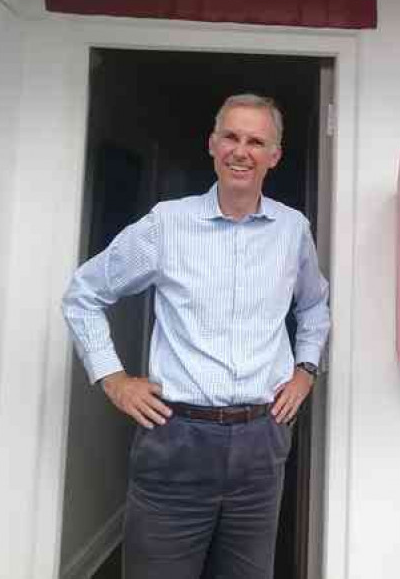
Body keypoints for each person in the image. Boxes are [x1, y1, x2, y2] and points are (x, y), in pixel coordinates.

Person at [62, 93, 330, 579]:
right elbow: (84, 293)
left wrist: (305, 371)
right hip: (176, 441)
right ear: (212, 144)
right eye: (231, 136)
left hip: (259, 442)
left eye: (256, 141)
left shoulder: (293, 231)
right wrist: (114, 379)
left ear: (275, 156)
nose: (241, 151)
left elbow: (313, 305)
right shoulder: (167, 224)